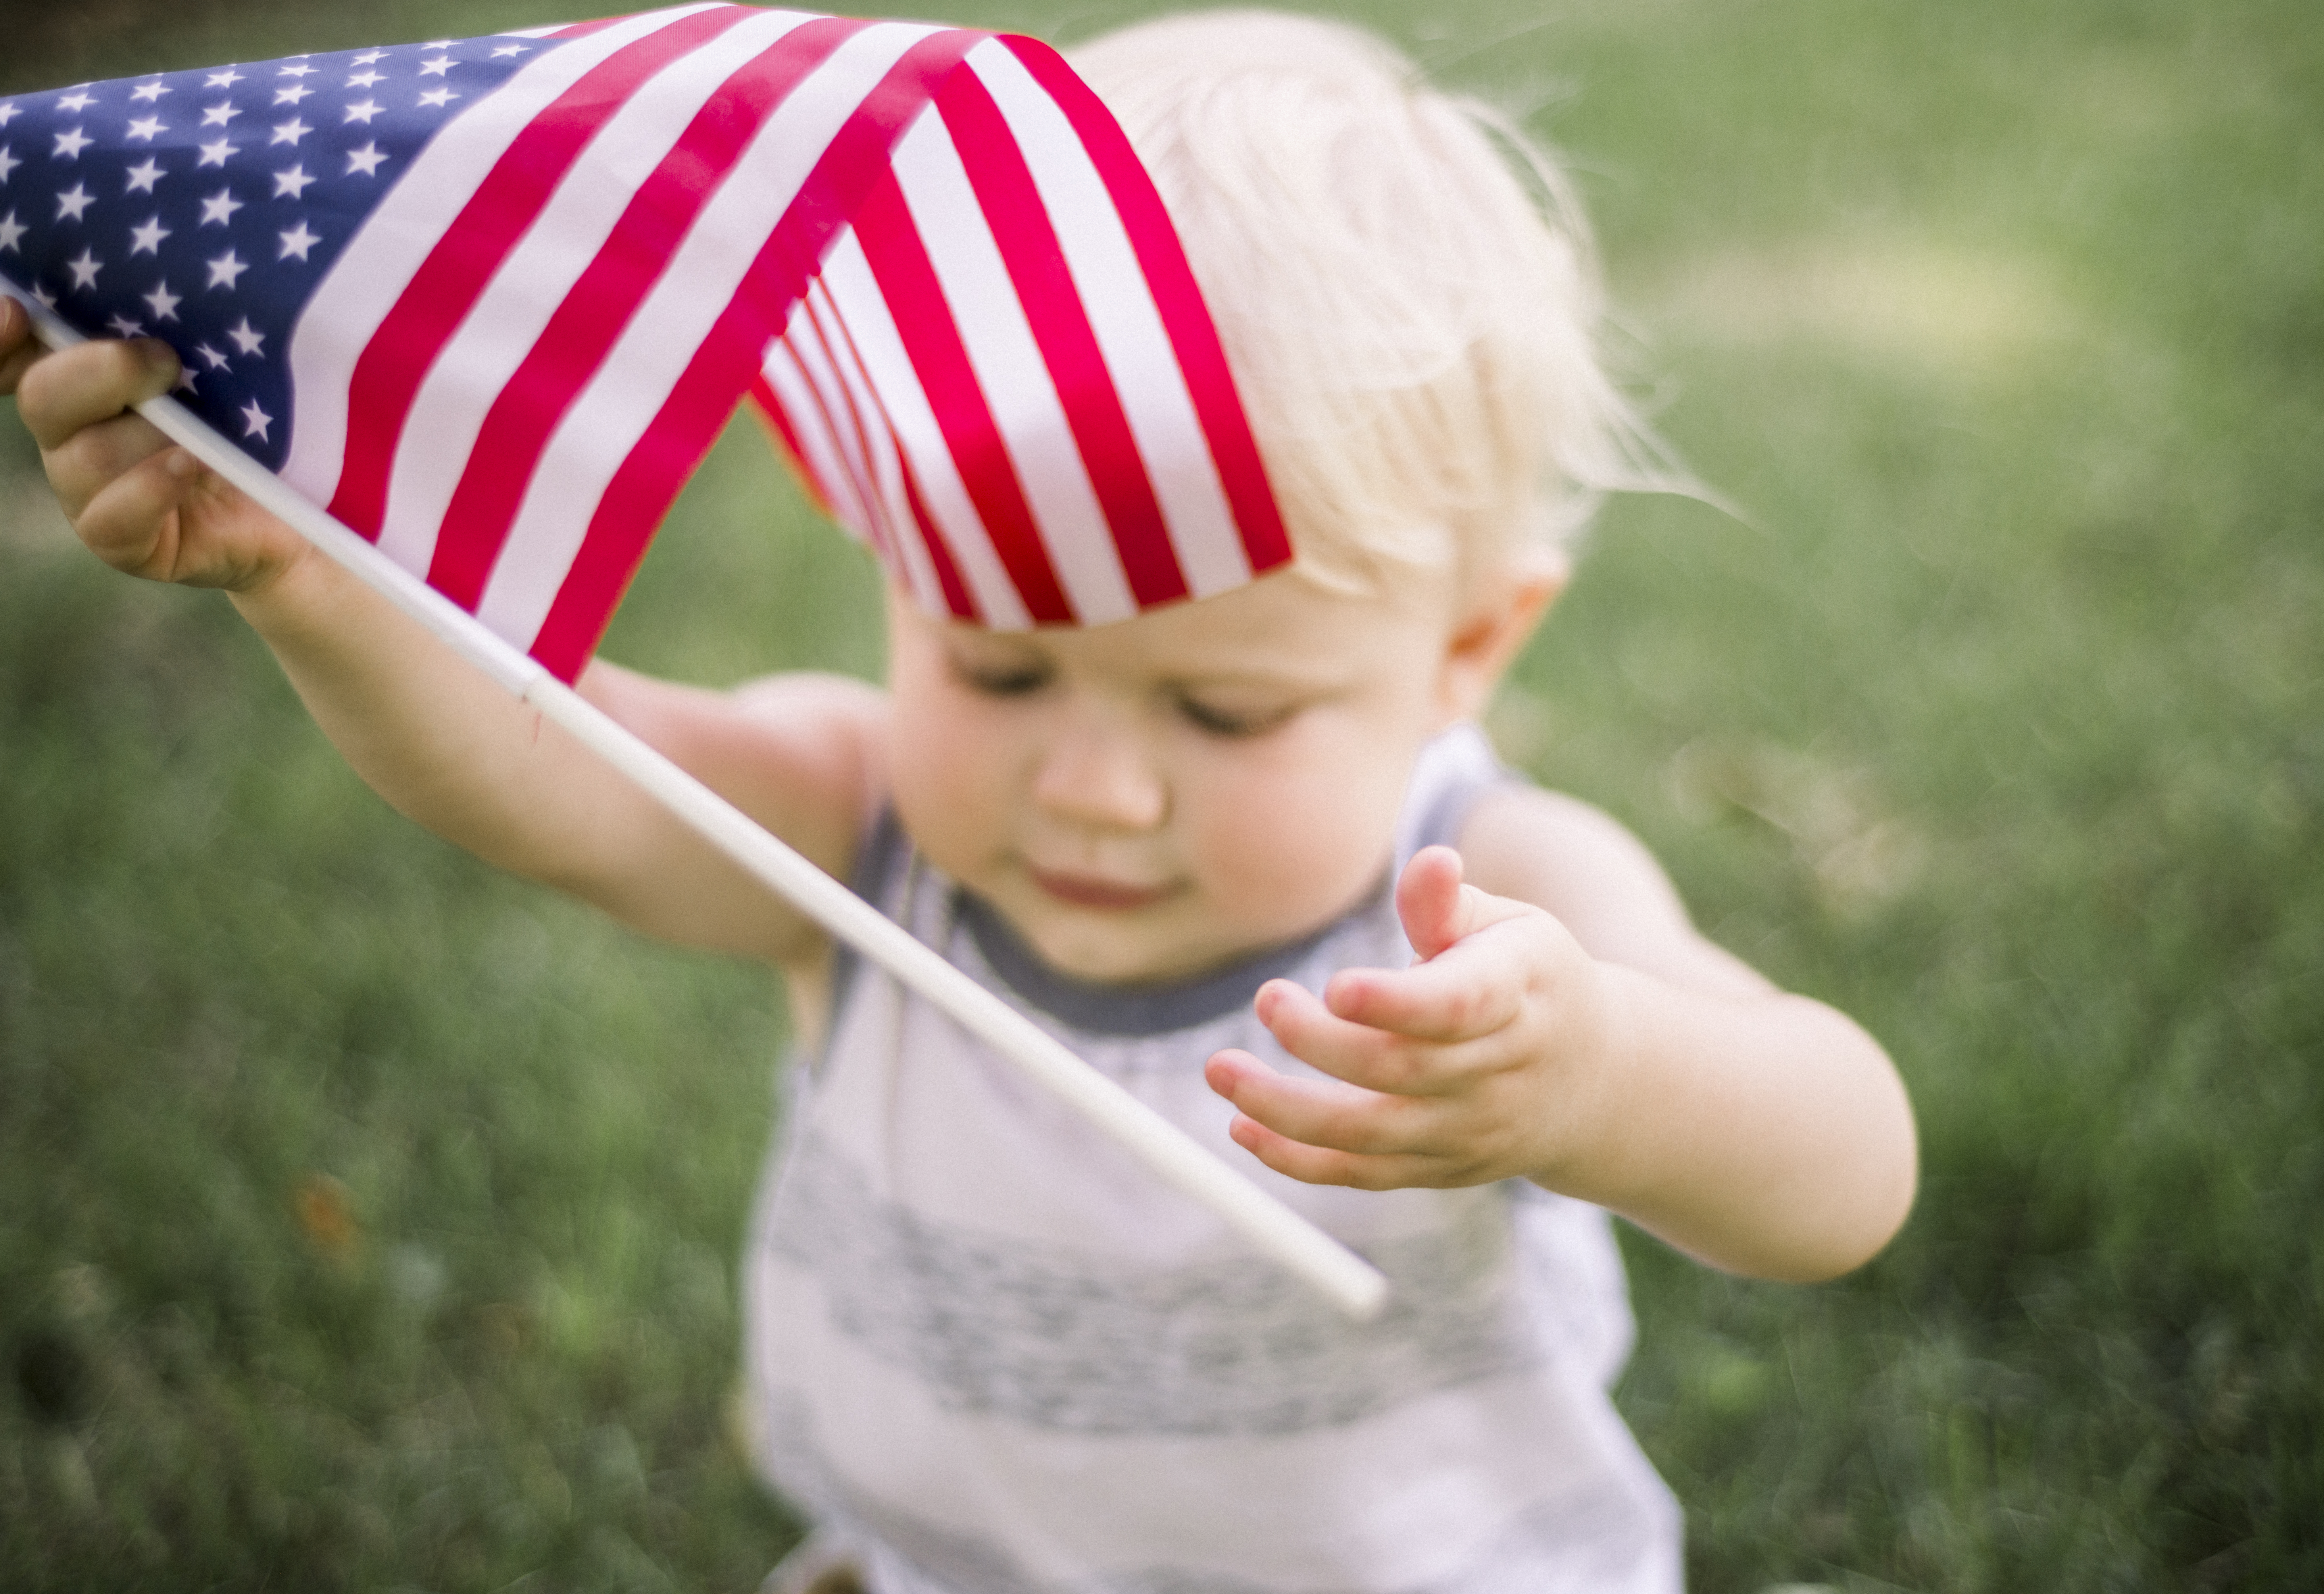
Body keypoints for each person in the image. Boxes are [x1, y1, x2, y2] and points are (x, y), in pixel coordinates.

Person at [0, 9, 1915, 1590]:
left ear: (1468, 651)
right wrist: (324, 578)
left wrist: (1601, 1084)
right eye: (997, 665)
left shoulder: (1494, 888)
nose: (1086, 781)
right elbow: (540, 770)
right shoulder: (859, 815)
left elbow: (1840, 1172)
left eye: (1227, 709)